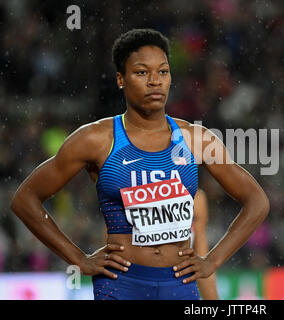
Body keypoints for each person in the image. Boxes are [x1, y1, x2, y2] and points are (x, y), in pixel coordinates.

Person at [10, 28, 269, 300]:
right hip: (121, 285)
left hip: (179, 285)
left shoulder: (197, 139)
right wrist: (79, 259)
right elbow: (25, 200)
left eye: (163, 72)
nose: (155, 81)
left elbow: (257, 201)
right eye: (142, 72)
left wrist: (212, 261)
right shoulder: (96, 139)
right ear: (121, 79)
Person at [191, 189, 219, 299]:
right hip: (139, 283)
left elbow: (202, 260)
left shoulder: (197, 198)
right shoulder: (136, 193)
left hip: (179, 287)